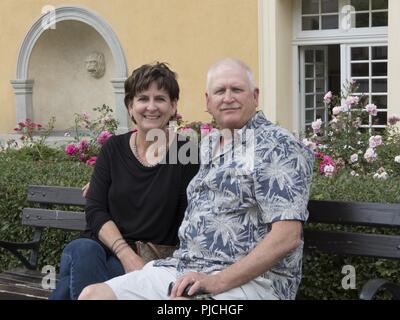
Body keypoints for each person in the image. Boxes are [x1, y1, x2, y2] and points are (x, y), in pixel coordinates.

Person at [78, 58, 314, 300]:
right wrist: (101, 186)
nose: (228, 97)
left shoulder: (278, 145)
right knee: (93, 295)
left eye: (237, 90)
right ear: (208, 101)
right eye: (220, 91)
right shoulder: (209, 145)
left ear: (255, 96)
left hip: (253, 284)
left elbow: (287, 236)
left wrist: (215, 282)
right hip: (185, 270)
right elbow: (155, 172)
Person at [50, 62, 199, 300]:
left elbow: (189, 221)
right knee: (83, 250)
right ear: (130, 106)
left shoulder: (187, 154)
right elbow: (96, 210)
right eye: (142, 99)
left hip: (152, 262)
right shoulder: (113, 148)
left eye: (160, 98)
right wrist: (126, 254)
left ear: (173, 106)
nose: (151, 107)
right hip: (104, 250)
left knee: (71, 282)